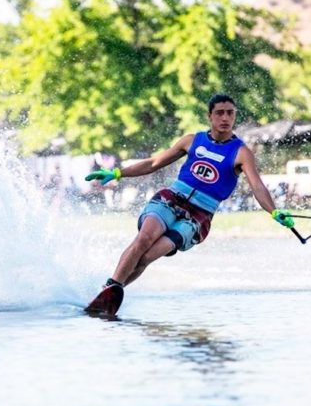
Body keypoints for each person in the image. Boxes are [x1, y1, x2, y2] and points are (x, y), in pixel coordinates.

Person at [84, 94, 294, 297]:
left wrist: (274, 211)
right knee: (144, 239)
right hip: (171, 198)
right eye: (220, 113)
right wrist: (117, 173)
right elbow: (154, 163)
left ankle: (111, 292)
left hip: (198, 215)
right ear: (209, 116)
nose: (225, 118)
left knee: (147, 256)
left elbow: (257, 186)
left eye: (230, 113)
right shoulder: (193, 140)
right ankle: (111, 286)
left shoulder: (241, 152)